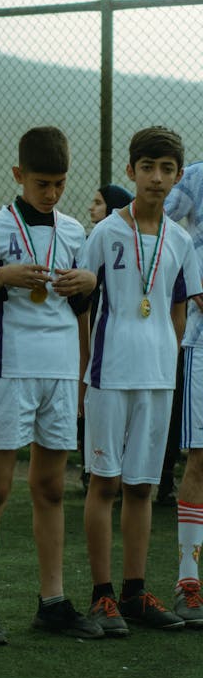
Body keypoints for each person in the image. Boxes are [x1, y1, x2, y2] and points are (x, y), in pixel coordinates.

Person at [0, 126, 100, 644]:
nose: (52, 193)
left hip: (60, 372)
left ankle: (53, 601)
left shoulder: (74, 232)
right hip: (11, 368)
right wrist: (0, 278)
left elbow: (82, 307)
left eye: (60, 184)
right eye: (42, 183)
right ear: (19, 175)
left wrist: (89, 284)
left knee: (50, 487)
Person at [83, 126, 200, 634]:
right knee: (105, 482)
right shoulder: (106, 232)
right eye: (147, 167)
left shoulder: (180, 240)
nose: (156, 178)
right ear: (131, 171)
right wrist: (84, 370)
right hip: (109, 373)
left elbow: (179, 308)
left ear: (178, 176)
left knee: (143, 486)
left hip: (157, 377)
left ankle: (134, 593)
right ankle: (101, 596)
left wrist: (168, 359)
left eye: (166, 169)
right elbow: (83, 301)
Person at [163, 160, 203, 625]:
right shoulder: (195, 177)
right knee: (200, 458)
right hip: (202, 340)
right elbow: (156, 224)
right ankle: (188, 582)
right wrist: (191, 281)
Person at [79, 183, 133, 492]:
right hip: (99, 352)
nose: (91, 207)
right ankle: (92, 468)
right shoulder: (94, 242)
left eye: (98, 202)